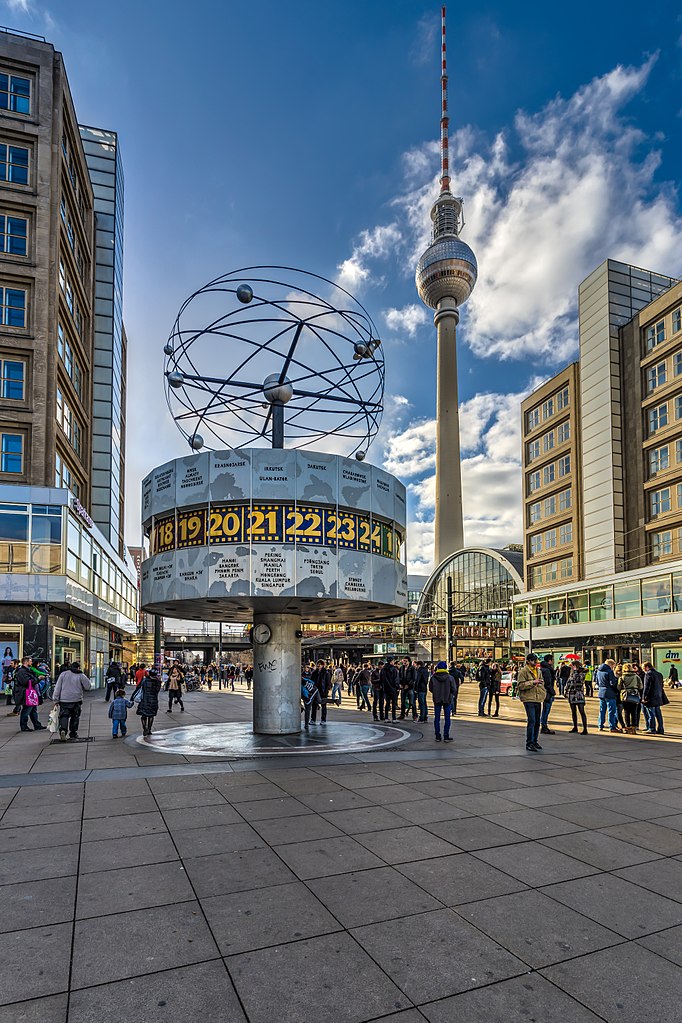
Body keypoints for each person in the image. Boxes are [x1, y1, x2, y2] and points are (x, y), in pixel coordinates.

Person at [52, 661, 91, 741]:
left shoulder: (63, 674)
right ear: (78, 668)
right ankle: (73, 733)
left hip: (64, 700)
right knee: (75, 716)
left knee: (64, 716)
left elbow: (57, 688)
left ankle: (63, 730)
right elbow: (88, 686)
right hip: (76, 699)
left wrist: (55, 699)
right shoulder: (81, 675)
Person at [517, 653, 546, 752]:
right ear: (528, 661)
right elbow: (520, 685)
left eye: (536, 660)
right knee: (532, 720)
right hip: (528, 699)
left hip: (538, 698)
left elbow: (542, 683)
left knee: (537, 721)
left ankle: (534, 741)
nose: (536, 662)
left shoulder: (538, 671)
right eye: (533, 660)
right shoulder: (523, 671)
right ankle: (529, 742)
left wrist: (543, 691)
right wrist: (533, 682)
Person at [14, 656, 46, 732]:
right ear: (26, 662)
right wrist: (38, 679)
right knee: (26, 710)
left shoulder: (27, 670)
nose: (31, 663)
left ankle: (37, 725)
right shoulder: (22, 671)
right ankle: (24, 726)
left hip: (29, 693)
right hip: (25, 693)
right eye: (30, 661)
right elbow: (26, 682)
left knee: (33, 710)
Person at [429, 661, 456, 742]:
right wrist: (450, 695)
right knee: (447, 718)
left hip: (437, 700)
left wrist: (436, 693)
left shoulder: (433, 677)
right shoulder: (450, 677)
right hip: (447, 699)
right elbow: (454, 689)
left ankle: (437, 736)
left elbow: (430, 688)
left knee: (437, 718)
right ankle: (446, 736)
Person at [132, 668, 162, 737]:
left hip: (144, 699)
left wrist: (132, 697)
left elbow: (138, 688)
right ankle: (149, 729)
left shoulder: (144, 680)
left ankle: (144, 728)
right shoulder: (157, 682)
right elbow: (157, 690)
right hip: (153, 700)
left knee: (143, 715)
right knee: (151, 715)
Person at [595, 659, 622, 732]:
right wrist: (616, 689)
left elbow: (597, 681)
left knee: (602, 710)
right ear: (611, 665)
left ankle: (600, 725)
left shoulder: (599, 671)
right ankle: (612, 726)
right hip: (610, 693)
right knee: (611, 711)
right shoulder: (609, 672)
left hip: (601, 692)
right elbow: (612, 683)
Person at [642, 661, 666, 735]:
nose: (643, 670)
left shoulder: (648, 674)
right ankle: (661, 729)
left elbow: (647, 687)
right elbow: (661, 686)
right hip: (658, 696)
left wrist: (644, 697)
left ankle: (652, 728)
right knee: (658, 713)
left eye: (643, 668)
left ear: (647, 667)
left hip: (650, 697)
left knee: (651, 713)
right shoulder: (659, 674)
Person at [565, 661, 589, 734]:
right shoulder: (572, 672)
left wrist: (575, 671)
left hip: (579, 694)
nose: (571, 667)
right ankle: (575, 727)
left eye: (572, 665)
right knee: (573, 712)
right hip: (572, 694)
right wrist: (566, 691)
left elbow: (577, 680)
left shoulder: (582, 672)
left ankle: (585, 728)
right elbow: (569, 682)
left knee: (582, 711)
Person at [619, 662, 643, 733]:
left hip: (625, 695)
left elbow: (618, 687)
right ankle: (634, 727)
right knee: (634, 712)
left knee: (626, 712)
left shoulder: (622, 677)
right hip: (634, 694)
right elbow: (641, 686)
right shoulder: (636, 676)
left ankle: (628, 727)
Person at [539, 654, 556, 735]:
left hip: (542, 691)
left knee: (544, 710)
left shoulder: (542, 669)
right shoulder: (547, 670)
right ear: (549, 660)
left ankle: (543, 725)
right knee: (546, 710)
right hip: (547, 692)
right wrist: (552, 692)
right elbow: (548, 683)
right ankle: (544, 726)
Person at [310, 659, 331, 724]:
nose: (318, 666)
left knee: (323, 706)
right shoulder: (314, 672)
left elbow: (328, 683)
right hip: (315, 691)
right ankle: (313, 719)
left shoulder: (326, 673)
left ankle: (323, 720)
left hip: (323, 691)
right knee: (314, 705)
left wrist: (326, 691)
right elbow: (311, 681)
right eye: (318, 664)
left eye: (320, 664)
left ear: (323, 665)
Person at [380, 657, 400, 721]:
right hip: (393, 688)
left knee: (387, 703)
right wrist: (397, 687)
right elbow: (396, 679)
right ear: (391, 661)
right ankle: (394, 718)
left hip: (385, 689)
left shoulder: (383, 669)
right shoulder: (394, 669)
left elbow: (381, 679)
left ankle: (386, 717)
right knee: (393, 704)